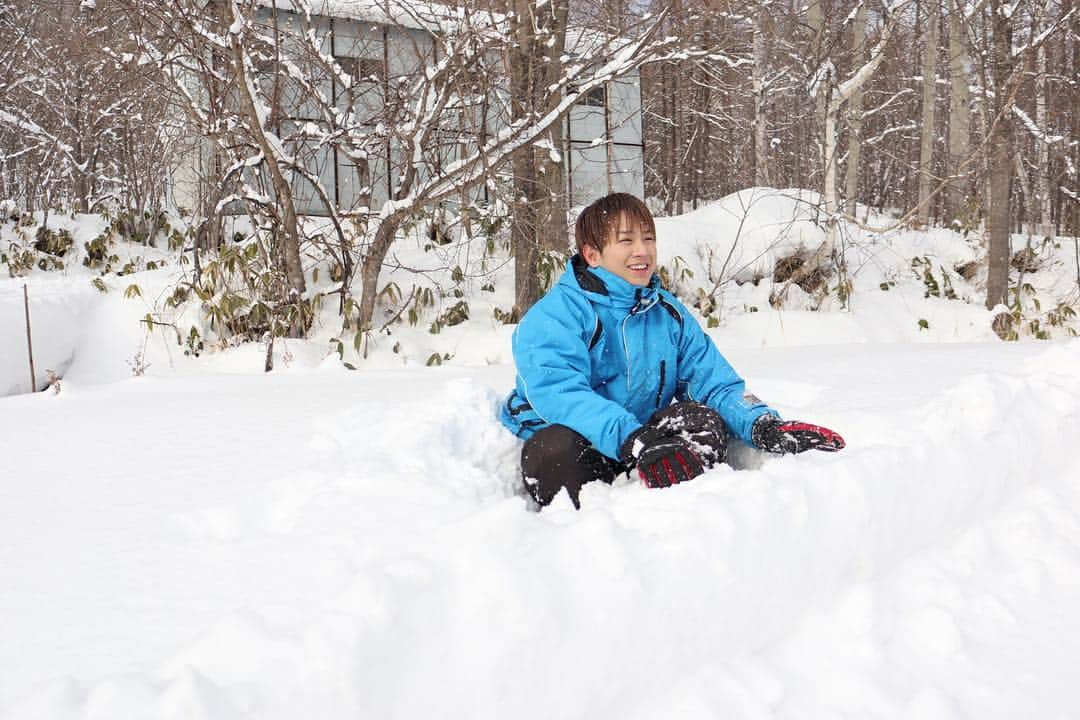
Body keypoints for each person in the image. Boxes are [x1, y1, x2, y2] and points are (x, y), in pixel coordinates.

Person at [500, 193, 845, 509]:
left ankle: (670, 509)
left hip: (643, 439)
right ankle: (594, 528)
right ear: (592, 254)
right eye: (627, 241)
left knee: (703, 420)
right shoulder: (556, 315)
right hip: (580, 439)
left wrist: (762, 425)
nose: (643, 251)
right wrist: (632, 438)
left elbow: (715, 383)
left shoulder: (668, 314)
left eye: (648, 239)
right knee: (554, 450)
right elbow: (561, 394)